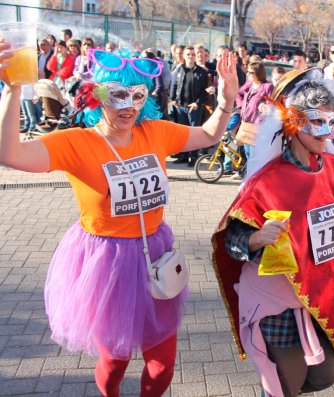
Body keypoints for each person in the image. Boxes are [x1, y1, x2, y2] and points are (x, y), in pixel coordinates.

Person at [0, 37, 238, 395]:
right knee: (115, 361)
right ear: (97, 95)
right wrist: (14, 89)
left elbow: (208, 133)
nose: (129, 107)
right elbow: (10, 154)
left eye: (137, 96)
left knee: (162, 367)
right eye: (117, 95)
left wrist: (226, 100)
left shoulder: (154, 132)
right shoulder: (77, 142)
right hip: (106, 263)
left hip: (155, 253)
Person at [211, 67, 334, 397]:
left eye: (331, 121)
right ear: (292, 125)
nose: (327, 132)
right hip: (277, 302)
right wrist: (256, 238)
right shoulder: (266, 182)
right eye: (317, 122)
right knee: (283, 386)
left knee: (327, 372)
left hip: (321, 295)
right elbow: (232, 238)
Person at [170, 45, 210, 166]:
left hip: (194, 107)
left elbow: (205, 91)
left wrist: (197, 103)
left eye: (192, 54)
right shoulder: (180, 69)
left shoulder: (201, 72)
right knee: (182, 133)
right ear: (184, 56)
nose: (190, 57)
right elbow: (174, 85)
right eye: (188, 54)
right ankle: (183, 155)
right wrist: (173, 99)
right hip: (180, 106)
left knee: (193, 133)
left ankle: (193, 158)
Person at [236, 61, 274, 166]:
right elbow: (238, 94)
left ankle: (252, 178)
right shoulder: (249, 85)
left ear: (259, 73)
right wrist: (241, 106)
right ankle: (250, 177)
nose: (248, 74)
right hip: (245, 124)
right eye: (247, 72)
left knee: (254, 155)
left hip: (257, 126)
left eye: (251, 72)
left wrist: (266, 108)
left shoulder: (267, 86)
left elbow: (273, 105)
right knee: (248, 154)